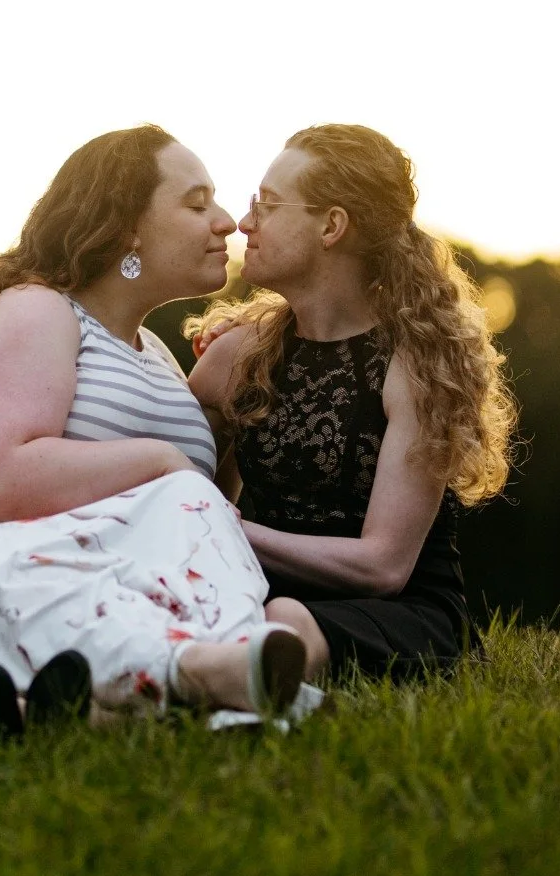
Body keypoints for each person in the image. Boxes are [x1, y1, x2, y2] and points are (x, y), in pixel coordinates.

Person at [0, 126, 310, 730]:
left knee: (181, 523)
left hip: (102, 580)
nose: (225, 222)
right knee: (6, 560)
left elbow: (194, 522)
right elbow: (2, 481)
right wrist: (163, 461)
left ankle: (94, 708)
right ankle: (197, 675)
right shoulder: (34, 310)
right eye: (196, 204)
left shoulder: (159, 359)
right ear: (126, 228)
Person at [189, 124, 516, 684]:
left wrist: (225, 528)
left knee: (283, 618)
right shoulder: (234, 358)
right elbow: (183, 486)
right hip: (257, 596)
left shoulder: (417, 365)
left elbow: (383, 567)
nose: (245, 224)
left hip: (399, 615)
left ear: (331, 226)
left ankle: (217, 681)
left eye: (266, 205)